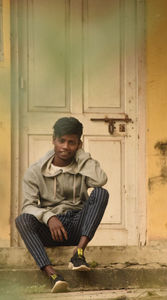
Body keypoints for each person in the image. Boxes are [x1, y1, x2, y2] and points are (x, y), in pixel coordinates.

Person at [15, 117, 109, 293]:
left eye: (72, 142)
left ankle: (78, 255)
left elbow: (100, 180)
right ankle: (52, 274)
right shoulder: (34, 172)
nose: (66, 147)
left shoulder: (82, 165)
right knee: (23, 219)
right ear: (53, 140)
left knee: (101, 193)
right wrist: (48, 217)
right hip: (51, 230)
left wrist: (82, 155)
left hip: (77, 226)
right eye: (62, 141)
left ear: (78, 144)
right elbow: (28, 206)